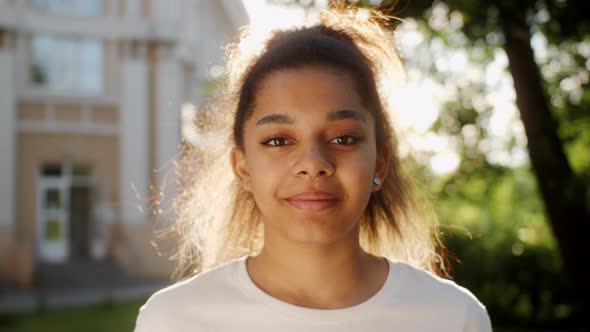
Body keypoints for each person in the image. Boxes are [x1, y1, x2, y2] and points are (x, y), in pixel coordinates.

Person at [134, 4, 492, 332]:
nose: (313, 164)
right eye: (278, 140)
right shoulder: (174, 320)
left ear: (380, 162)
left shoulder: (453, 317)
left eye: (343, 139)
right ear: (242, 168)